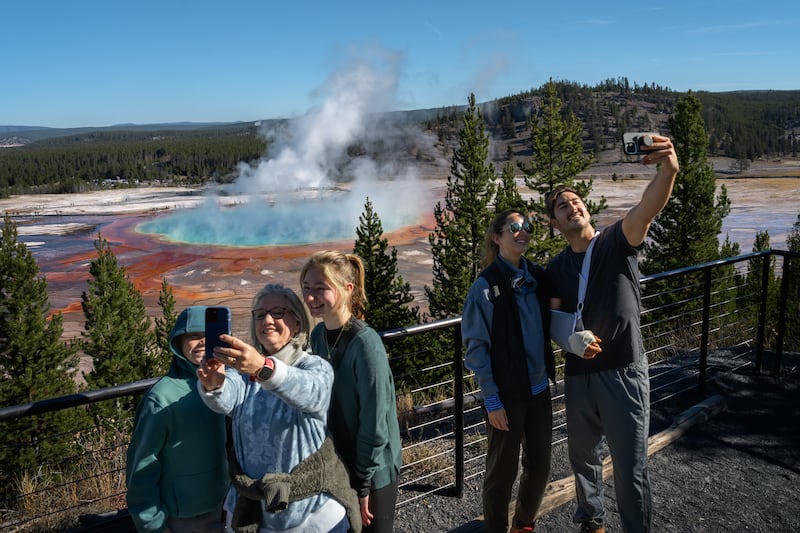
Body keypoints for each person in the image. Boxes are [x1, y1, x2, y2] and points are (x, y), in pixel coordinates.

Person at [545, 134, 679, 533]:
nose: (571, 206)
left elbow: (648, 207)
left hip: (623, 369)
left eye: (575, 200)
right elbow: (554, 320)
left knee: (629, 465)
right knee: (582, 457)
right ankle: (592, 522)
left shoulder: (616, 242)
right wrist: (568, 341)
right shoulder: (555, 268)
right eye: (561, 206)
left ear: (585, 208)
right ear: (555, 223)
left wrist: (668, 168)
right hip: (579, 376)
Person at [196, 284, 360, 533]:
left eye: (278, 312)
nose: (268, 320)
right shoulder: (243, 375)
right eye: (260, 315)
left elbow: (310, 393)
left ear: (297, 321)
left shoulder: (314, 366)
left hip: (311, 514)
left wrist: (262, 367)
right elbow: (226, 400)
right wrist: (213, 385)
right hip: (255, 512)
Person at [461, 209, 556, 533]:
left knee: (541, 466)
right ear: (496, 237)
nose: (522, 231)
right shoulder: (486, 287)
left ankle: (523, 525)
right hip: (506, 396)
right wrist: (491, 400)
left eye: (526, 226)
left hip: (539, 389)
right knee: (501, 474)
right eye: (514, 227)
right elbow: (476, 349)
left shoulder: (538, 278)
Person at [299, 250, 403, 533]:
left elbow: (376, 422)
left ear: (347, 289)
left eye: (321, 288)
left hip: (373, 471)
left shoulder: (365, 344)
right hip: (342, 463)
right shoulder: (320, 335)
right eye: (306, 288)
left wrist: (363, 483)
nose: (310, 297)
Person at [126, 305, 229, 533]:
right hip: (180, 519)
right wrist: (153, 525)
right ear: (179, 343)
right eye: (193, 336)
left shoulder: (227, 385)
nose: (202, 342)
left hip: (222, 507)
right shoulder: (162, 397)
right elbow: (141, 466)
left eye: (208, 335)